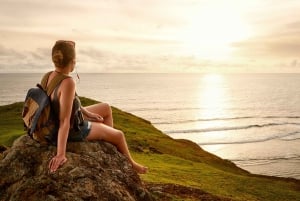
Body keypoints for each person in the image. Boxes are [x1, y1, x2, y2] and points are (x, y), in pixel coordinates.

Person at [47, 40, 147, 174]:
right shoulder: (68, 82)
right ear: (72, 62)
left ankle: (108, 144)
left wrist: (88, 113)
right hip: (73, 128)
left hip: (60, 120)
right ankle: (131, 164)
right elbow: (65, 120)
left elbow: (69, 103)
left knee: (105, 108)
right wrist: (60, 154)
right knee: (119, 135)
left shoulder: (50, 76)